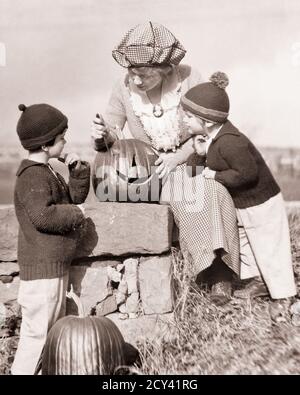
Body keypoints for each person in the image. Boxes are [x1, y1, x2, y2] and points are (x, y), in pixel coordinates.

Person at [91, 22, 240, 305]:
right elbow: (112, 133)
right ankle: (206, 273)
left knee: (213, 192)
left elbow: (210, 127)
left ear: (166, 69)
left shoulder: (190, 78)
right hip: (148, 174)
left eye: (144, 75)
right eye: (132, 73)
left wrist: (176, 158)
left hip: (193, 161)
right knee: (189, 196)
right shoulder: (123, 88)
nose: (136, 81)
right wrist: (103, 135)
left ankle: (222, 274)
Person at [181, 72, 297, 302]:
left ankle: (285, 297)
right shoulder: (211, 139)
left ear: (208, 120)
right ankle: (259, 283)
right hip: (244, 204)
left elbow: (246, 174)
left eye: (189, 116)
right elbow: (193, 170)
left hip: (262, 202)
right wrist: (199, 152)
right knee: (247, 242)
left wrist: (214, 175)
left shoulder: (230, 142)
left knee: (269, 246)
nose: (184, 120)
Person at [11, 103, 90, 375]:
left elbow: (72, 198)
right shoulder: (32, 175)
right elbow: (43, 216)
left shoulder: (47, 172)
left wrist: (77, 171)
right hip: (42, 275)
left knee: (50, 338)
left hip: (52, 269)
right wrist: (76, 214)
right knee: (36, 339)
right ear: (46, 145)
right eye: (62, 137)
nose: (66, 140)